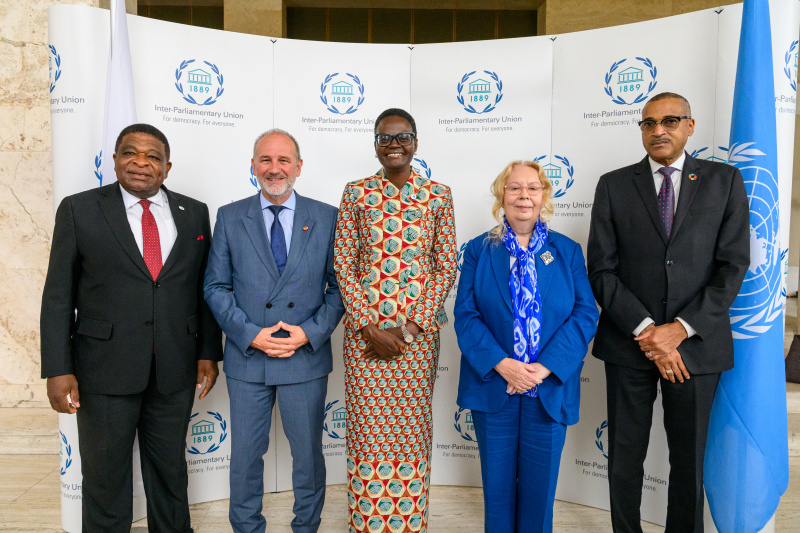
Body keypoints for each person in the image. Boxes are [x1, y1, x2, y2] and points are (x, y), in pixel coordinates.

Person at [40, 123, 222, 532]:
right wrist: (57, 367)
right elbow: (57, 296)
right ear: (115, 160)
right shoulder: (79, 209)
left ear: (167, 167)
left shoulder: (193, 212)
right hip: (104, 370)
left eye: (153, 156)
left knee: (171, 476)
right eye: (130, 153)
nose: (141, 162)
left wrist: (209, 352)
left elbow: (202, 288)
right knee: (105, 479)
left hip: (174, 369)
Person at [587, 92, 750, 532]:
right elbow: (601, 269)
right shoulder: (614, 184)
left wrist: (679, 329)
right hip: (629, 344)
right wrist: (648, 332)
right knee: (624, 459)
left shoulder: (724, 181)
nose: (658, 130)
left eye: (670, 121)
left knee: (689, 462)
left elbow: (733, 266)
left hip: (696, 348)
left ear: (690, 127)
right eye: (648, 123)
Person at [204, 129, 344, 533]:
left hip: (305, 356)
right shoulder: (230, 217)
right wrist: (249, 334)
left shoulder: (327, 216)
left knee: (308, 457)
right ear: (253, 166)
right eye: (265, 160)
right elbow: (215, 286)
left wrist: (308, 333)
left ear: (298, 167)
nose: (274, 168)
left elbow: (341, 287)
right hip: (248, 358)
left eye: (284, 160)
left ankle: (307, 527)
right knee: (245, 457)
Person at [453, 160, 599, 532]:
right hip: (494, 388)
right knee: (498, 498)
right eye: (515, 187)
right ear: (502, 194)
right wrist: (504, 364)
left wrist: (544, 368)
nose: (524, 196)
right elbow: (466, 316)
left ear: (544, 196)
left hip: (547, 390)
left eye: (533, 188)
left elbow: (584, 314)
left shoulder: (566, 251)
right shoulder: (477, 250)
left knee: (539, 500)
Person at [334, 108, 457, 532]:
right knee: (368, 431)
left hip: (417, 341)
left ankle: (407, 523)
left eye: (403, 137)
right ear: (375, 145)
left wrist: (407, 329)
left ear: (416, 143)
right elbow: (343, 264)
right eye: (385, 138)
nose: (394, 144)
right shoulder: (355, 193)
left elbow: (445, 268)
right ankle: (368, 522)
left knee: (410, 431)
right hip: (364, 340)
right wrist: (370, 327)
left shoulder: (438, 195)